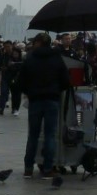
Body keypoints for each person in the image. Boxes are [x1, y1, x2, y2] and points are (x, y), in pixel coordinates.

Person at [19, 32, 71, 178]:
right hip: (52, 100)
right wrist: (55, 90)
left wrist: (30, 91)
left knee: (33, 135)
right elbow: (66, 81)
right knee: (50, 135)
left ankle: (28, 168)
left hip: (35, 100)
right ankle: (48, 168)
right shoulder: (56, 58)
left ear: (38, 43)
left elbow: (20, 81)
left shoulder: (30, 58)